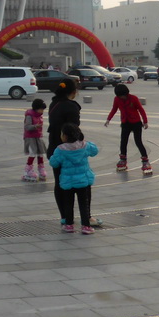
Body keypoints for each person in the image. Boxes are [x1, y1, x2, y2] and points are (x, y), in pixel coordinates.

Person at [47, 78, 101, 227]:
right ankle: (87, 218)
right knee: (83, 183)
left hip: (55, 149)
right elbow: (74, 129)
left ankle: (66, 218)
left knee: (61, 183)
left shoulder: (54, 103)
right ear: (73, 92)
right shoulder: (71, 107)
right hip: (73, 150)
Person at [49, 122, 99, 234]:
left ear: (65, 136)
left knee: (68, 203)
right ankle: (86, 226)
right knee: (83, 203)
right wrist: (84, 141)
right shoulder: (84, 146)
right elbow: (95, 151)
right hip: (83, 181)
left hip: (68, 182)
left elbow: (54, 163)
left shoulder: (60, 149)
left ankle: (69, 224)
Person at [105, 84, 152, 175]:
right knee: (123, 141)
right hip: (125, 123)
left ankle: (145, 161)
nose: (122, 97)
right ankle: (123, 160)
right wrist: (108, 119)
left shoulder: (133, 98)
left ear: (126, 93)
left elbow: (141, 110)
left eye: (123, 95)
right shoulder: (117, 99)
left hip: (136, 123)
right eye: (120, 96)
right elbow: (114, 109)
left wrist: (145, 121)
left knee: (138, 142)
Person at [22, 98, 48, 181]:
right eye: (41, 109)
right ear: (36, 108)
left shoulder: (39, 115)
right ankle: (28, 171)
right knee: (33, 153)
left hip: (38, 136)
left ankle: (41, 169)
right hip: (30, 137)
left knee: (40, 153)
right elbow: (27, 126)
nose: (42, 111)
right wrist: (35, 127)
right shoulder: (29, 115)